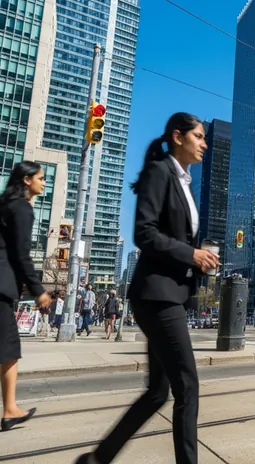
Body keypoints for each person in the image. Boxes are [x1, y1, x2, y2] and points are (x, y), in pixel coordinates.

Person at [78, 113, 218, 464]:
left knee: (158, 392)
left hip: (170, 295)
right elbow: (145, 233)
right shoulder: (161, 172)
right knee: (187, 386)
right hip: (156, 295)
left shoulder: (183, 181)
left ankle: (97, 459)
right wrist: (192, 254)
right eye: (199, 137)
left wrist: (199, 258)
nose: (204, 144)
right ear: (178, 136)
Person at [0, 161, 50, 431]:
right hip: (1, 286)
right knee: (8, 350)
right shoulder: (22, 209)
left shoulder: (5, 204)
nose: (44, 183)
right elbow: (21, 255)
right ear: (27, 180)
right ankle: (9, 409)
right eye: (41, 178)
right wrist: (38, 289)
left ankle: (9, 408)